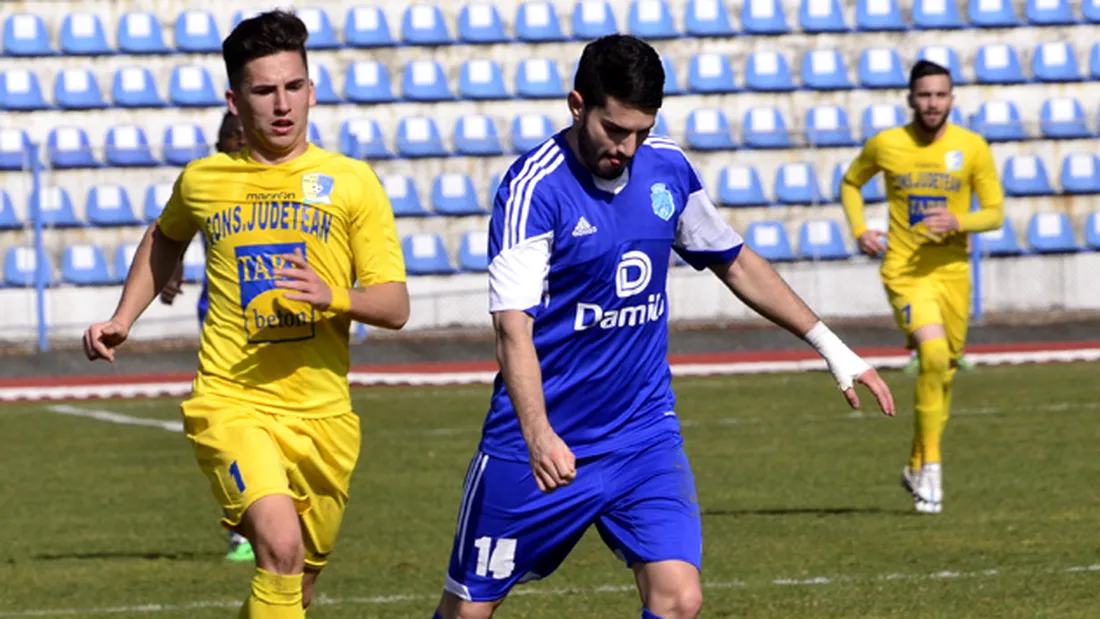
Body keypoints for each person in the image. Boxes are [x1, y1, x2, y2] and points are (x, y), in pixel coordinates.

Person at [432, 34, 895, 619]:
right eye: (615, 129)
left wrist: (831, 346)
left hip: (642, 436)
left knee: (679, 600)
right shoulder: (533, 190)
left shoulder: (667, 168)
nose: (627, 147)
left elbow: (735, 259)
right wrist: (538, 433)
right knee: (468, 611)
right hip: (542, 444)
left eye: (641, 132)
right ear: (578, 105)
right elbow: (512, 330)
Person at [82, 10, 409, 618]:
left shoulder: (352, 184)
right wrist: (123, 317)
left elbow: (394, 306)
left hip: (324, 417)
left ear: (312, 90)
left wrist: (333, 295)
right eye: (263, 91)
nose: (281, 105)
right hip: (232, 400)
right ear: (235, 101)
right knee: (279, 549)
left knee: (296, 584)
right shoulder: (205, 180)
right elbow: (165, 236)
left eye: (292, 87)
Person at [840, 60, 1004, 515]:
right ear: (911, 99)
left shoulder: (971, 148)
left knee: (944, 370)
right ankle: (931, 466)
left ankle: (915, 465)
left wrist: (961, 220)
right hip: (905, 270)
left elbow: (994, 212)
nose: (932, 103)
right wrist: (859, 230)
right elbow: (851, 182)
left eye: (940, 95)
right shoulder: (888, 144)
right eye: (924, 95)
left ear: (952, 99)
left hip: (953, 273)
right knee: (931, 357)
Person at [158, 111, 255, 563]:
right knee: (232, 419)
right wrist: (170, 273)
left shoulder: (276, 176)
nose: (232, 143)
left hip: (274, 318)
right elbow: (173, 233)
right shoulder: (210, 180)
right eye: (227, 138)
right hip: (219, 314)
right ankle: (241, 530)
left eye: (237, 135)